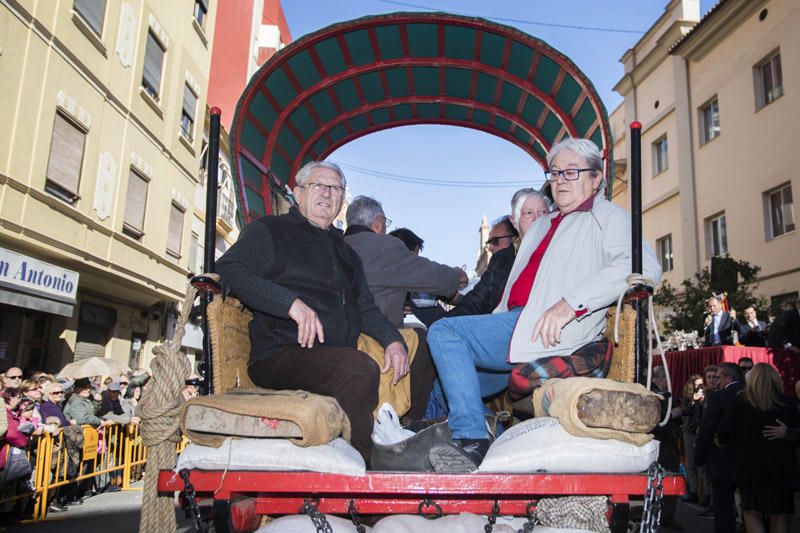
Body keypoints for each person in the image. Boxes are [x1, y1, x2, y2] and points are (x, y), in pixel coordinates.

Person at [426, 137, 662, 472]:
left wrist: (570, 305)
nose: (561, 181)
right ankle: (437, 449)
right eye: (555, 174)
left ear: (596, 178)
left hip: (549, 330)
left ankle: (471, 443)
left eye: (571, 172)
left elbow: (644, 268)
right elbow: (513, 288)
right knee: (441, 381)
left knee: (444, 332)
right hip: (515, 328)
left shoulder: (608, 218)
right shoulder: (542, 226)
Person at [215, 160, 410, 462]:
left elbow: (367, 309)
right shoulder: (270, 231)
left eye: (336, 189)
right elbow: (229, 270)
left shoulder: (347, 254)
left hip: (335, 354)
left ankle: (403, 445)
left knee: (419, 352)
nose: (327, 194)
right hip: (281, 353)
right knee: (358, 367)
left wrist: (393, 340)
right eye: (319, 185)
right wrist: (288, 303)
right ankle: (362, 470)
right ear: (298, 193)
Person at [344, 195, 466, 328]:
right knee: (424, 336)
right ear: (378, 223)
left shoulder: (336, 244)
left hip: (340, 333)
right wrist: (457, 274)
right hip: (376, 338)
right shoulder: (385, 246)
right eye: (385, 223)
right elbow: (431, 276)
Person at [719, 363, 799, 533]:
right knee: (779, 514)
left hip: (749, 467)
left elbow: (725, 433)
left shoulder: (739, 402)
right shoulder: (788, 403)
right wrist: (788, 433)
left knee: (751, 512)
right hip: (780, 467)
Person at [695, 362, 745, 533]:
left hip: (722, 457)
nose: (716, 381)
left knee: (723, 506)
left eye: (718, 377)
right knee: (751, 507)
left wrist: (699, 459)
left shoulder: (719, 397)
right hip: (750, 457)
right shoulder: (754, 394)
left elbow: (706, 428)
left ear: (729, 378)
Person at [679, 374, 704, 503]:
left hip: (701, 431)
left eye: (701, 384)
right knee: (690, 462)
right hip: (689, 431)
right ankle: (693, 490)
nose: (700, 387)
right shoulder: (689, 398)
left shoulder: (706, 396)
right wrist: (694, 401)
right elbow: (684, 411)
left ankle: (702, 493)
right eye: (698, 385)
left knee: (700, 464)